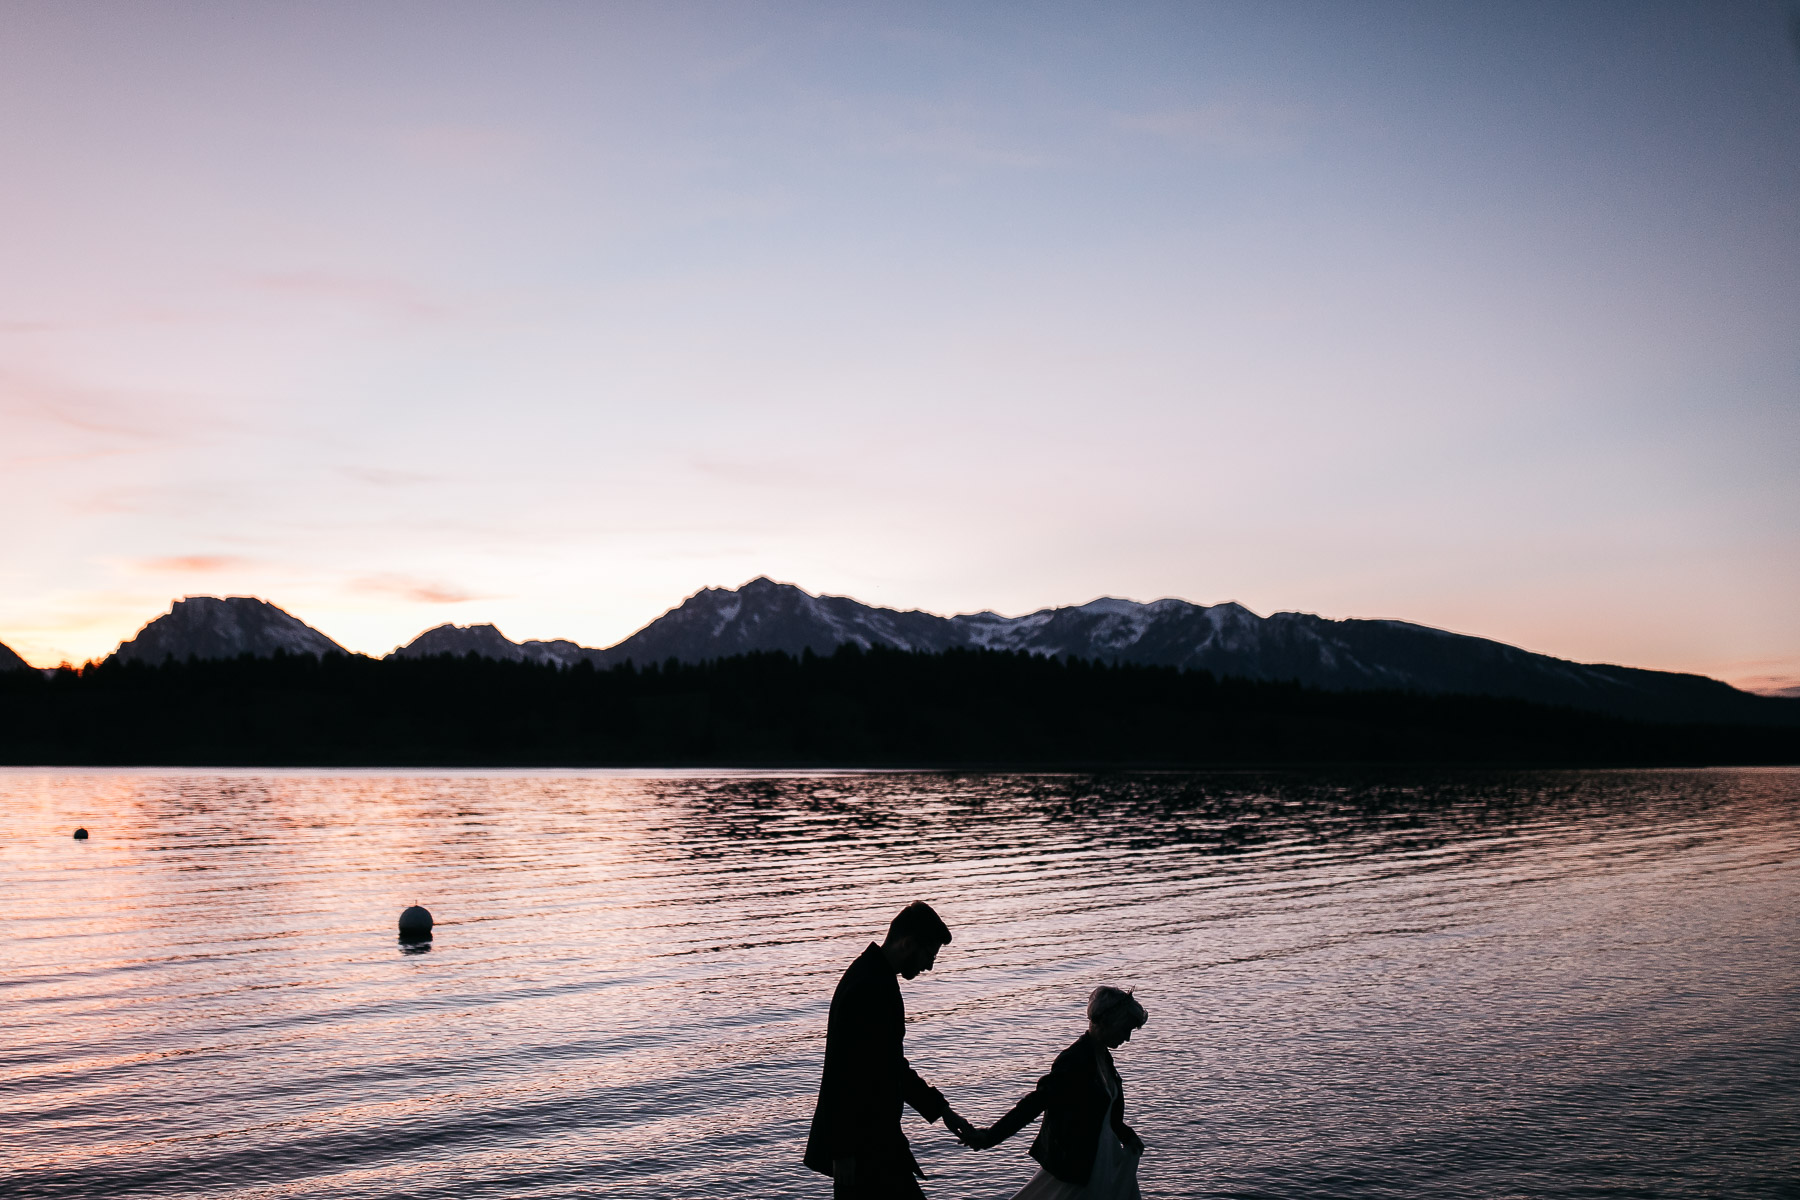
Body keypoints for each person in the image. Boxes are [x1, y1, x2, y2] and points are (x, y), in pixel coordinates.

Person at [804, 901, 978, 1198]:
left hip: (874, 1142)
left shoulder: (874, 977)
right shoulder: (869, 986)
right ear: (907, 943)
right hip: (862, 1146)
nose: (929, 966)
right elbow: (844, 1073)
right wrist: (843, 1151)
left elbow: (888, 1063)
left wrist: (942, 1110)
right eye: (929, 954)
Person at [967, 986, 1148, 1200]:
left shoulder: (1104, 1058)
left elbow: (1104, 1113)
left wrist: (1127, 1135)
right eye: (1125, 1029)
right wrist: (990, 1137)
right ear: (1108, 1021)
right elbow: (1035, 1104)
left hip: (1100, 1161)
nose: (1127, 1038)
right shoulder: (1074, 1061)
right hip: (1077, 1166)